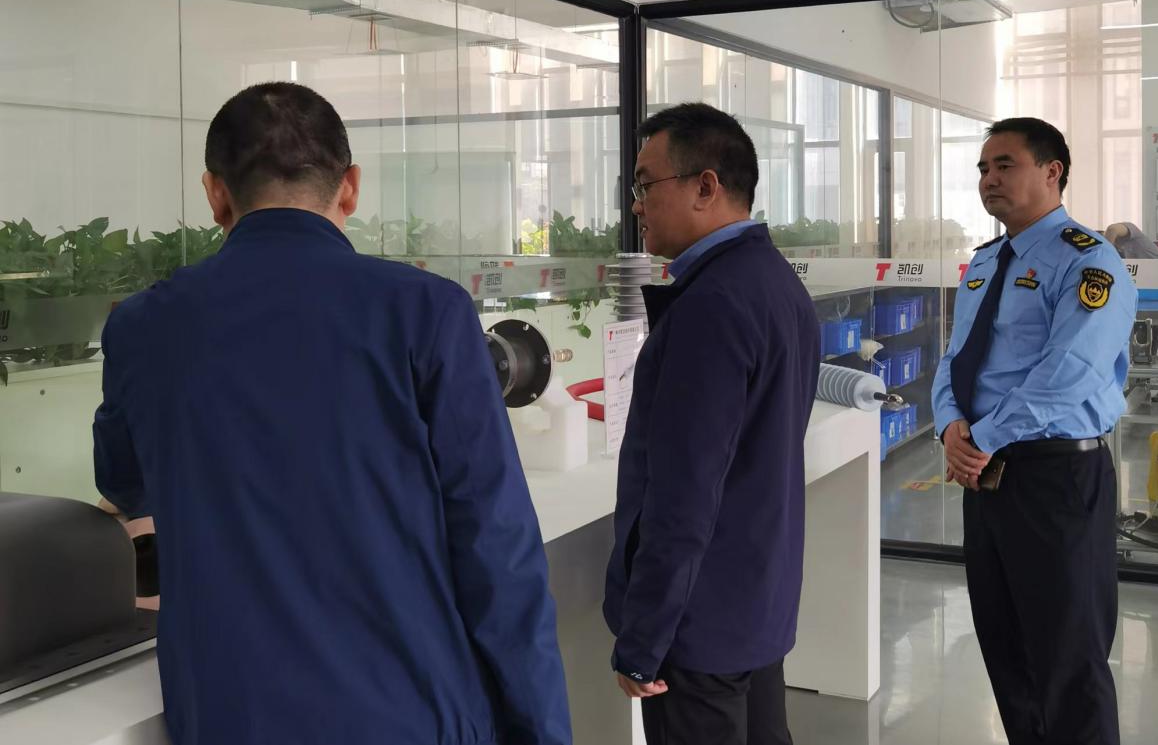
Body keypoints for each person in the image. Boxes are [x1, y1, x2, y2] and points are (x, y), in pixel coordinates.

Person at [93, 83, 570, 745]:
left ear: (215, 194)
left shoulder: (142, 326)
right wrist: (540, 729)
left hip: (229, 715)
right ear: (350, 188)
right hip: (408, 710)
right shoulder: (426, 312)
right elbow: (496, 545)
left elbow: (123, 479)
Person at [602, 103, 820, 745]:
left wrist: (644, 639)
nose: (637, 205)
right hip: (755, 606)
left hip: (698, 626)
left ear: (706, 186)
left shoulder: (710, 306)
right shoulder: (776, 282)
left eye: (646, 184)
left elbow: (684, 496)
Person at [932, 117, 1135, 745]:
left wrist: (982, 437)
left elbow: (1069, 373)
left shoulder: (1089, 262)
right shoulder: (985, 262)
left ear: (1052, 172)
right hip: (987, 475)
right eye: (983, 169)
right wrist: (949, 426)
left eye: (1005, 165)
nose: (989, 179)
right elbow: (955, 356)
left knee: (1068, 656)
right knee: (1006, 646)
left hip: (1056, 477)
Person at [1105, 220, 1158, 400]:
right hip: (1148, 298)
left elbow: (1112, 229)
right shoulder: (1123, 252)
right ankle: (1141, 387)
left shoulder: (1132, 234)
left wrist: (1106, 249)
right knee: (1144, 342)